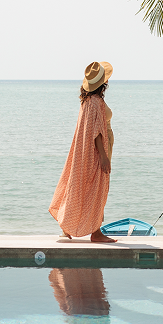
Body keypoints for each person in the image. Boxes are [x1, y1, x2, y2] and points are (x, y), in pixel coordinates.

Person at [50, 61, 116, 243]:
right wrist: (103, 156)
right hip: (98, 150)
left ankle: (67, 225)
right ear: (103, 83)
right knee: (97, 188)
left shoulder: (87, 101)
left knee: (82, 186)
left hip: (89, 150)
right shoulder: (96, 103)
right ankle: (96, 232)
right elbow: (96, 131)